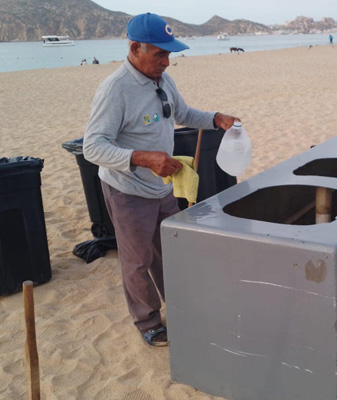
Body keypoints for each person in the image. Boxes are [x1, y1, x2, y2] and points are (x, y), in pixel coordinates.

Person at [83, 12, 239, 347]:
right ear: (135, 48)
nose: (167, 62)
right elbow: (92, 146)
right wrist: (142, 158)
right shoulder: (115, 90)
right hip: (127, 190)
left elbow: (182, 114)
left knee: (170, 249)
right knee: (138, 260)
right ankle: (148, 321)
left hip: (162, 186)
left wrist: (215, 119)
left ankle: (181, 306)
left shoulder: (163, 80)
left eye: (169, 54)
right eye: (160, 54)